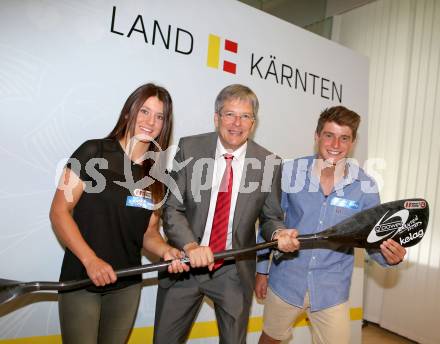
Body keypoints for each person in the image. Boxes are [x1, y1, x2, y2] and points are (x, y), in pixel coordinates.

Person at [153, 84, 300, 344]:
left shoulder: (269, 163)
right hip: (185, 264)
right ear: (216, 117)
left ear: (254, 122)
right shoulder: (190, 148)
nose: (237, 123)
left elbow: (270, 217)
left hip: (233, 271)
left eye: (245, 116)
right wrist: (190, 245)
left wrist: (278, 232)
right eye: (229, 114)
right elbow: (173, 207)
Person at [49, 83, 189, 344]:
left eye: (160, 117)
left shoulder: (159, 178)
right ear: (129, 113)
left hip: (126, 285)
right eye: (144, 111)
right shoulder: (93, 152)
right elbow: (59, 212)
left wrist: (166, 251)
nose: (151, 121)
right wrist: (91, 260)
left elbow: (148, 234)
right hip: (81, 279)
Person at [256, 106, 407, 344]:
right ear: (317, 136)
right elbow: (270, 220)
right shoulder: (289, 172)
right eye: (329, 135)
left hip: (331, 288)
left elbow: (372, 240)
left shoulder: (365, 186)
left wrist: (389, 257)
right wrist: (262, 271)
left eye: (344, 137)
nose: (335, 144)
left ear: (353, 142)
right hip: (286, 280)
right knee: (270, 339)